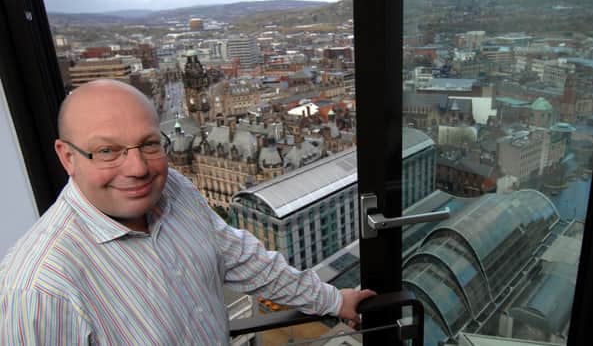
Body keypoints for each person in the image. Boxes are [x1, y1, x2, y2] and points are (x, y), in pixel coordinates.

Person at [0, 79, 375, 345]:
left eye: (148, 144)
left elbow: (245, 259)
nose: (137, 168)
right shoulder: (37, 290)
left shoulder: (175, 190)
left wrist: (332, 300)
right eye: (107, 151)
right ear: (67, 157)